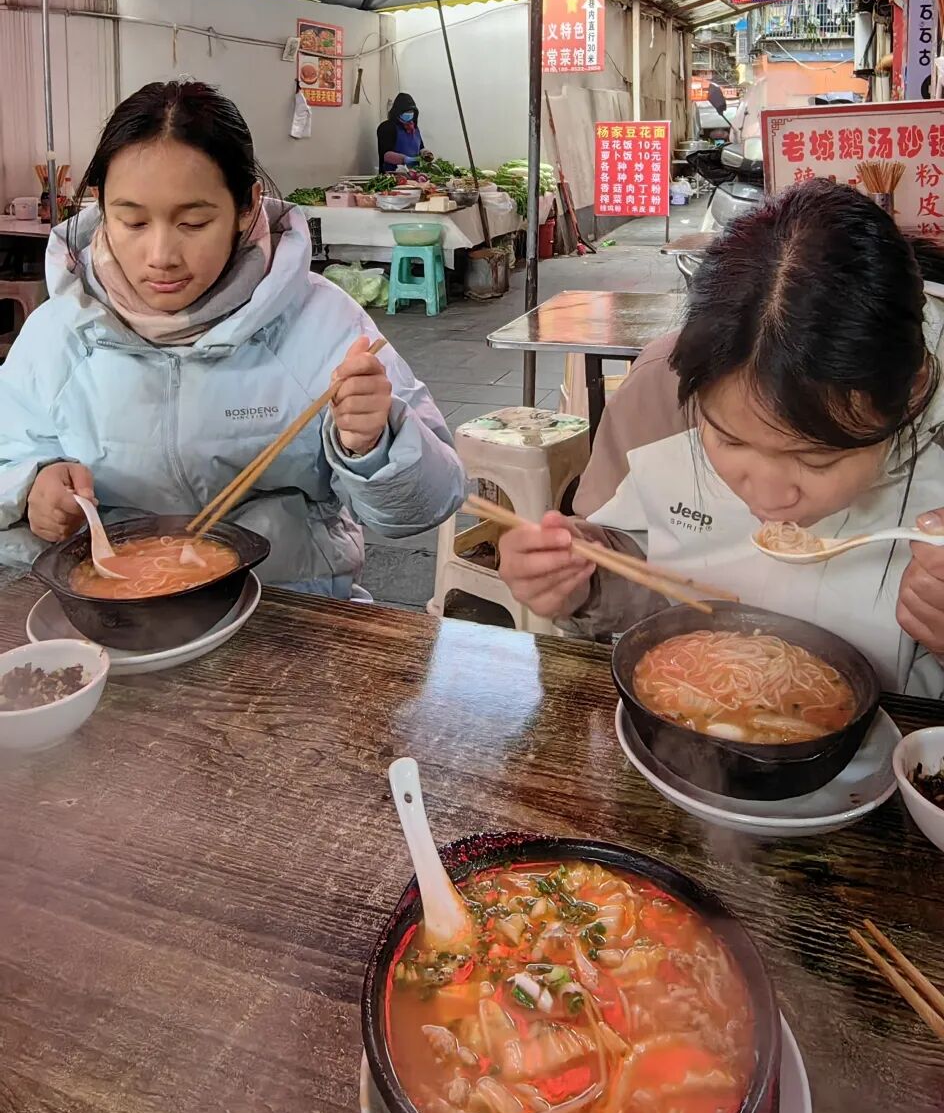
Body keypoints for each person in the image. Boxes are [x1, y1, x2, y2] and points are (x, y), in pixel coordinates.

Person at [0, 81, 464, 594]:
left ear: (247, 206)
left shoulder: (323, 323)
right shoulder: (60, 331)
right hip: (117, 613)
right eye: (132, 221)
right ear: (100, 206)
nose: (161, 256)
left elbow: (429, 503)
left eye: (194, 222)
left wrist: (375, 445)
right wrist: (31, 487)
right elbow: (8, 456)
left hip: (291, 612)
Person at [499, 181, 944, 697]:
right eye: (731, 442)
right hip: (690, 716)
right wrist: (580, 580)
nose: (770, 498)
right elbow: (639, 559)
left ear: (911, 393)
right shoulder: (662, 396)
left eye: (816, 459)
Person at [377, 92, 425, 172]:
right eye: (406, 112)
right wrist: (405, 159)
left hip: (414, 174)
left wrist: (425, 153)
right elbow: (385, 155)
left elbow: (420, 147)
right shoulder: (387, 127)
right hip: (393, 175)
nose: (409, 114)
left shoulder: (414, 128)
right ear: (398, 112)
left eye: (411, 112)